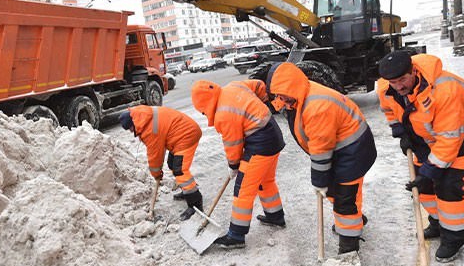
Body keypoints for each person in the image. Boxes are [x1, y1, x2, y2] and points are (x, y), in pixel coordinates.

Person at [377, 50, 464, 262]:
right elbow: (390, 110)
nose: (399, 86)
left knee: (447, 183)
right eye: (393, 82)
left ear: (414, 71)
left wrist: (429, 172)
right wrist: (402, 133)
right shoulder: (386, 87)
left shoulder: (445, 90)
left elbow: (448, 140)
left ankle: (454, 236)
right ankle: (438, 222)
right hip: (428, 132)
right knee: (423, 184)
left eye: (403, 80)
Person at [267, 62, 377, 254]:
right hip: (339, 148)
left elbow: (321, 148)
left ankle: (349, 246)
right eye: (277, 95)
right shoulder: (297, 95)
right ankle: (353, 220)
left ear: (291, 87)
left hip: (353, 150)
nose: (280, 100)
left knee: (344, 199)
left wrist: (319, 180)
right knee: (336, 191)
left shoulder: (317, 106)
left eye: (282, 95)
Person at [191, 79, 286, 249]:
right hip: (273, 134)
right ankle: (275, 216)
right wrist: (264, 104)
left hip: (260, 144)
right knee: (265, 181)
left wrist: (234, 166)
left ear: (205, 104)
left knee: (243, 190)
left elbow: (233, 144)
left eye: (203, 112)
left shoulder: (223, 114)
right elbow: (259, 85)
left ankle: (236, 235)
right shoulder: (234, 85)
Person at [119, 105, 203, 221]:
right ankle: (187, 190)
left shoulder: (149, 130)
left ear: (134, 123)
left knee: (180, 170)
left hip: (186, 135)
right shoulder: (144, 115)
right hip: (178, 135)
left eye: (130, 128)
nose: (131, 131)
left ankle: (195, 203)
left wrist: (156, 174)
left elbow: (155, 155)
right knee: (172, 164)